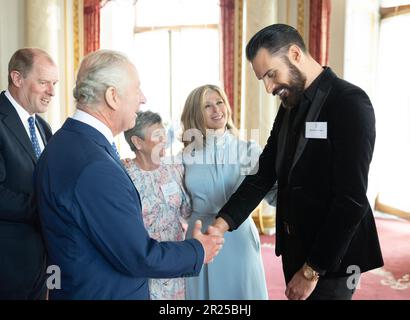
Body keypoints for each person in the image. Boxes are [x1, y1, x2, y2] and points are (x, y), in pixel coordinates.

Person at [211, 24, 384, 300]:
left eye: (270, 74)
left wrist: (310, 271)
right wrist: (220, 224)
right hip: (295, 246)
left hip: (332, 257)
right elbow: (263, 173)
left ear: (294, 54)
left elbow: (351, 200)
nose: (268, 87)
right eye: (262, 79)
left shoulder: (350, 102)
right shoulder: (289, 105)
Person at [34, 50, 223, 299]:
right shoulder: (94, 166)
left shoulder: (64, 142)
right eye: (137, 89)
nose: (142, 99)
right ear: (113, 96)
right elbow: (138, 256)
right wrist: (198, 250)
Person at [181, 84, 269, 300]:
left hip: (237, 235)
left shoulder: (249, 150)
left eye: (219, 102)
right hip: (199, 236)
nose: (216, 109)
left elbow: (274, 193)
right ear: (195, 113)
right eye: (207, 106)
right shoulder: (184, 157)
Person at [0, 48, 58, 299]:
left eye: (54, 84)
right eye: (43, 82)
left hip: (42, 266)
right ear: (17, 78)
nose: (52, 92)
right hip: (8, 266)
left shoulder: (43, 127)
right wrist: (49, 209)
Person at [123, 110, 192, 300]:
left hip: (176, 262)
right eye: (157, 136)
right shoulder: (124, 176)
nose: (164, 140)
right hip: (145, 265)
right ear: (137, 142)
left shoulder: (175, 168)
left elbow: (187, 210)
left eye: (164, 134)